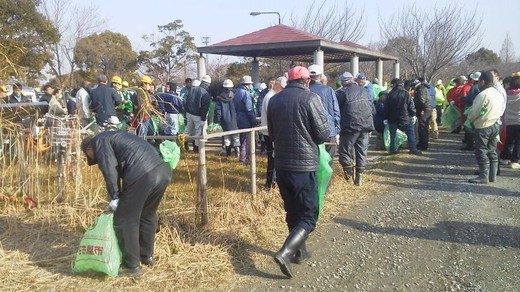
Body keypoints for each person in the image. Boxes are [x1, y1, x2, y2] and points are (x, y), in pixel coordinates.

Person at [267, 66, 329, 278]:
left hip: (282, 164)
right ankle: (285, 252)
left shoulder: (275, 100)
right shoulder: (311, 99)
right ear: (307, 81)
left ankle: (299, 252)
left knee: (292, 211)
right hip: (304, 166)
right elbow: (322, 134)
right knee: (309, 215)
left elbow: (272, 133)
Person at [80, 131, 172, 277]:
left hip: (143, 173)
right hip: (163, 170)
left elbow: (109, 169)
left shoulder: (99, 141)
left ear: (88, 149)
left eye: (88, 155)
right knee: (147, 215)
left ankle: (132, 266)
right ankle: (145, 256)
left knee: (125, 218)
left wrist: (115, 196)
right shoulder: (115, 136)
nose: (90, 158)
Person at [336, 72, 375, 186]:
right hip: (366, 125)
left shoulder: (341, 93)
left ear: (343, 82)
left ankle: (349, 178)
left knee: (345, 152)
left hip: (350, 126)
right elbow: (372, 109)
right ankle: (360, 176)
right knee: (362, 151)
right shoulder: (365, 91)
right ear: (352, 80)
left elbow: (336, 110)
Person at [467, 71, 503, 184]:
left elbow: (474, 112)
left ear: (482, 81)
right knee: (492, 150)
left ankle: (483, 176)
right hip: (496, 124)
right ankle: (492, 175)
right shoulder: (498, 93)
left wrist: (470, 120)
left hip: (483, 126)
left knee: (481, 151)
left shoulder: (483, 94)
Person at [308, 64, 341, 168]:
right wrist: (337, 130)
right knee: (329, 159)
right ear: (321, 75)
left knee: (313, 158)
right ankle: (326, 182)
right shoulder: (329, 90)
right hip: (329, 129)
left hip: (311, 130)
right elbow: (336, 111)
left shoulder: (305, 91)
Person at [260, 76, 287, 189]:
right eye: (282, 88)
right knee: (273, 158)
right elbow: (273, 117)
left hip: (269, 131)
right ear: (276, 85)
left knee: (273, 158)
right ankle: (271, 182)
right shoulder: (271, 97)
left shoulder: (270, 96)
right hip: (270, 133)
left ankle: (272, 181)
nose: (283, 90)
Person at [384, 78, 422, 155]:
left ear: (394, 84)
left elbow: (386, 107)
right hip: (405, 116)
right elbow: (411, 105)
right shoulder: (406, 93)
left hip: (393, 117)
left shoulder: (390, 94)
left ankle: (392, 149)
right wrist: (413, 115)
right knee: (410, 133)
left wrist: (386, 117)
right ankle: (413, 149)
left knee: (392, 135)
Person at [184, 75, 212, 152]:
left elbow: (186, 102)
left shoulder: (192, 89)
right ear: (208, 84)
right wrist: (203, 119)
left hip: (189, 113)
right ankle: (196, 149)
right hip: (198, 115)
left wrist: (186, 112)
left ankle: (183, 145)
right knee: (198, 133)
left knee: (188, 130)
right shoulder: (205, 93)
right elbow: (204, 108)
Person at [233, 75, 256, 165]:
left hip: (238, 117)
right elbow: (249, 108)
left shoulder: (237, 92)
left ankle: (242, 157)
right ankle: (245, 159)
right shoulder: (246, 93)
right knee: (247, 140)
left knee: (242, 138)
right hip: (246, 118)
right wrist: (253, 120)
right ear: (248, 85)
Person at [214, 79, 240, 157]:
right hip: (235, 120)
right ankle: (237, 154)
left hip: (224, 121)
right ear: (232, 87)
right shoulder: (235, 97)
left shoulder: (219, 98)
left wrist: (217, 121)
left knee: (226, 138)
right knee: (236, 137)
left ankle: (228, 154)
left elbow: (218, 111)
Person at [499, 74, 520, 169]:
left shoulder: (506, 93)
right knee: (518, 142)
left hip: (508, 121)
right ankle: (515, 161)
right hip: (519, 120)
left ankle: (504, 158)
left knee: (509, 140)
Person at [460, 72, 481, 151]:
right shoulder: (481, 87)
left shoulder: (474, 87)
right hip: (479, 109)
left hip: (471, 108)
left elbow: (470, 99)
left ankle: (470, 145)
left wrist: (462, 98)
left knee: (469, 127)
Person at [413, 78, 432, 151]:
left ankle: (423, 144)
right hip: (426, 109)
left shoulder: (421, 89)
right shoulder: (422, 88)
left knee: (423, 127)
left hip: (424, 109)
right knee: (422, 127)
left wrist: (417, 107)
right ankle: (421, 143)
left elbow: (422, 101)